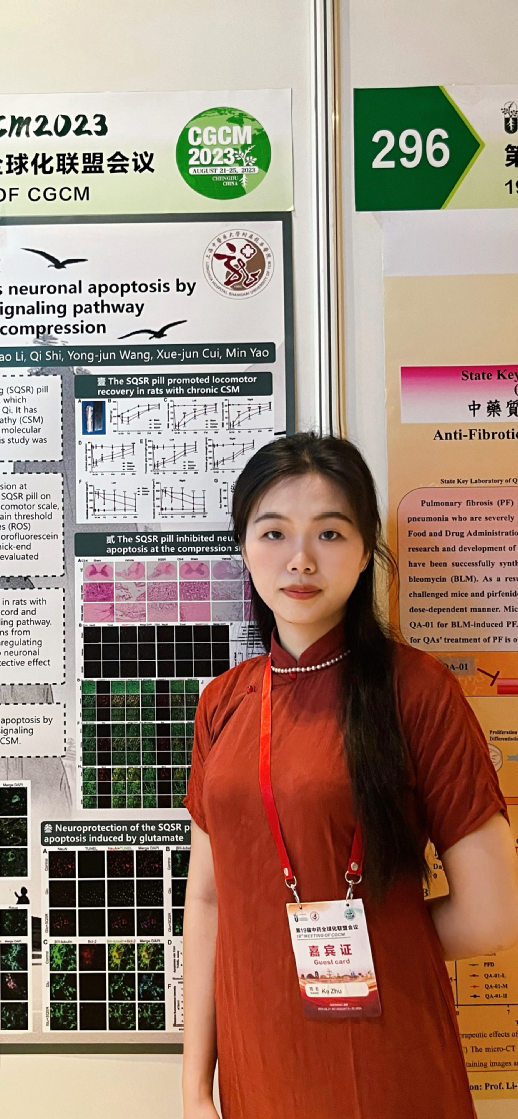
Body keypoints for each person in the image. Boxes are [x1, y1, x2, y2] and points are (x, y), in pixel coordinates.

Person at [182, 433, 518, 1119]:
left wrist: (369, 945)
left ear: (366, 551)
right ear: (243, 547)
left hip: (388, 1054)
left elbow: (493, 913)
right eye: (273, 532)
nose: (300, 558)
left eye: (329, 533)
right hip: (256, 1057)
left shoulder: (417, 690)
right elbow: (207, 902)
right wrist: (193, 1089)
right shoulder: (221, 702)